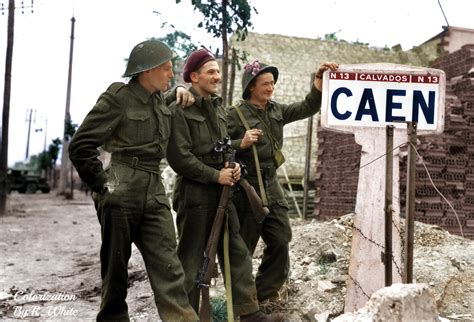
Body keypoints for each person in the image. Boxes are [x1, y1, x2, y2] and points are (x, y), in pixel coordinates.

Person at [69, 39, 199, 322]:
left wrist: (178, 89)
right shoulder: (117, 98)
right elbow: (80, 146)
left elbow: (163, 102)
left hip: (153, 188)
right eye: (166, 69)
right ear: (146, 71)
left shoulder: (158, 100)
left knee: (169, 265)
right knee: (116, 269)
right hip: (121, 182)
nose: (170, 73)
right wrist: (105, 187)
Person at [167, 48, 284, 322]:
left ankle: (249, 313)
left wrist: (230, 165)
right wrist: (214, 175)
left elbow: (221, 148)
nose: (217, 77)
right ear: (193, 77)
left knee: (237, 253)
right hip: (194, 196)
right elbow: (179, 158)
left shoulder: (219, 110)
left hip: (222, 195)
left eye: (218, 71)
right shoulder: (180, 108)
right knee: (192, 260)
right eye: (211, 72)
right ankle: (188, 317)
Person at [227, 59, 339, 303]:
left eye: (273, 83)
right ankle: (241, 303)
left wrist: (318, 85)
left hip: (271, 183)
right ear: (251, 87)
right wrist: (240, 143)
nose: (271, 88)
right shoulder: (233, 115)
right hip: (246, 185)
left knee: (280, 238)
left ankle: (264, 295)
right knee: (243, 246)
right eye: (265, 83)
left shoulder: (276, 110)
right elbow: (216, 145)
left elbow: (307, 107)